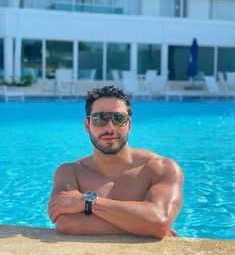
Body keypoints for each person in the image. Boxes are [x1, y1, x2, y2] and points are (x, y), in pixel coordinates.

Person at [48, 85, 184, 238]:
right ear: (87, 125)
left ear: (129, 125)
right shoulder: (70, 172)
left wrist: (87, 202)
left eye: (119, 119)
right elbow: (66, 223)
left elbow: (159, 221)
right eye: (100, 119)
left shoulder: (161, 168)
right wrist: (144, 226)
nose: (110, 128)